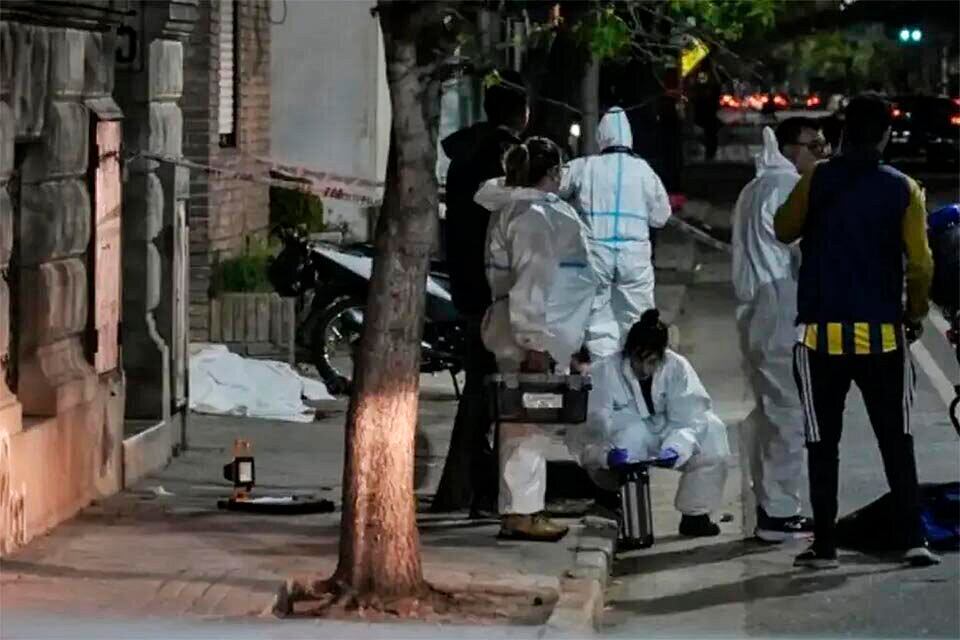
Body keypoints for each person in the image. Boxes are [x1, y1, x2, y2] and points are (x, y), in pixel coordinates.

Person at [774, 92, 940, 569]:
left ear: (843, 132)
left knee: (822, 443)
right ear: (886, 135)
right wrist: (915, 313)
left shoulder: (817, 179)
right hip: (883, 338)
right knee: (897, 438)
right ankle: (913, 538)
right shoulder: (903, 188)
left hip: (819, 339)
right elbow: (922, 264)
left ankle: (824, 545)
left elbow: (783, 229)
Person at [474, 137, 597, 541]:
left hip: (526, 329)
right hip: (526, 333)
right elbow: (533, 284)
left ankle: (522, 510)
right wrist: (535, 344)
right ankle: (522, 513)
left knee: (522, 421)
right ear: (551, 173)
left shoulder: (520, 210)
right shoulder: (532, 217)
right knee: (526, 424)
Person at [432, 73, 529, 515]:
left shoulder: (464, 154)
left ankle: (467, 490)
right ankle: (473, 491)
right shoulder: (503, 159)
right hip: (492, 288)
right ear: (519, 114)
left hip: (465, 281)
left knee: (481, 386)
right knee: (488, 391)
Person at [731, 118, 828, 542]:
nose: (823, 151)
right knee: (787, 414)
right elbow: (804, 251)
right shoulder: (788, 189)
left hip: (754, 310)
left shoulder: (754, 189)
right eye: (815, 144)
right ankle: (779, 512)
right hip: (779, 304)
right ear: (792, 149)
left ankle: (768, 505)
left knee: (768, 412)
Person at [566, 310, 731, 537]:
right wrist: (604, 456)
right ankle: (614, 500)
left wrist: (677, 446)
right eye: (638, 360)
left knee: (713, 431)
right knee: (625, 441)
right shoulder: (603, 372)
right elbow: (588, 430)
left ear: (662, 355)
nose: (645, 369)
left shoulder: (677, 367)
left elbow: (692, 417)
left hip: (664, 432)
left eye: (652, 361)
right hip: (619, 443)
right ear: (628, 353)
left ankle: (696, 515)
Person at [561, 107, 672, 360]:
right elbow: (661, 217)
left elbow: (552, 187)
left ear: (602, 136)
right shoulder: (644, 171)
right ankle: (638, 376)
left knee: (597, 317)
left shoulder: (584, 167)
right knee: (638, 316)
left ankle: (604, 375)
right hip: (634, 256)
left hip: (595, 253)